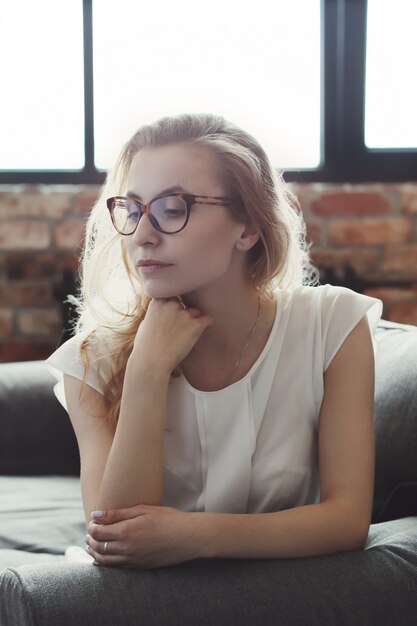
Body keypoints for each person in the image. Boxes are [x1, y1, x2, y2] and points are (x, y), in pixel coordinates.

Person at [46, 112, 382, 569]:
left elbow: (347, 520)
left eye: (171, 208)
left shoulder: (332, 326)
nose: (142, 235)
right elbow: (116, 542)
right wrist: (147, 369)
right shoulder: (91, 361)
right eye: (132, 209)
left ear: (247, 228)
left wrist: (194, 535)